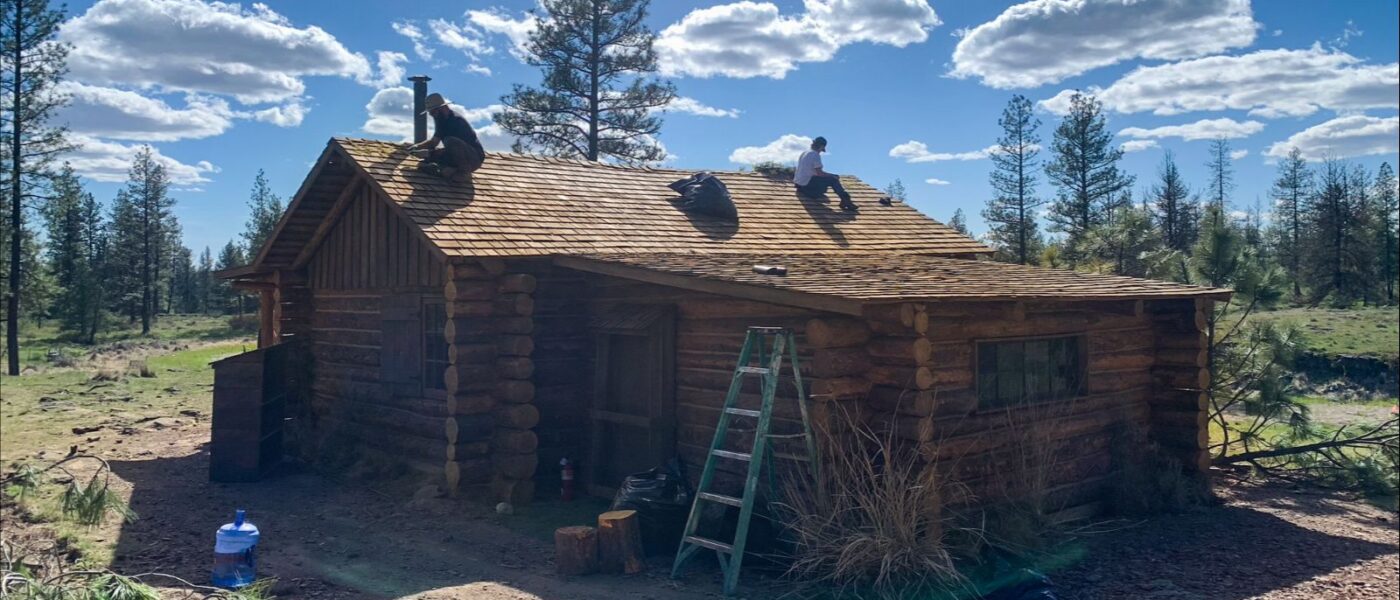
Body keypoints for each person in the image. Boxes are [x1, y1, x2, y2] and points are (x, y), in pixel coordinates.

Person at [408, 93, 486, 182]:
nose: (431, 115)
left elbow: (455, 148)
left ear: (442, 108)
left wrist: (429, 153)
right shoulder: (440, 120)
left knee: (450, 140)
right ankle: (448, 171)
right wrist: (416, 147)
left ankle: (463, 173)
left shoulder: (456, 121)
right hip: (454, 156)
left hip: (473, 158)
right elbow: (433, 142)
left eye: (433, 112)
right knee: (423, 164)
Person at [793, 136, 857, 212]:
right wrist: (833, 175)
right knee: (833, 180)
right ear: (821, 147)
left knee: (827, 184)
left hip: (799, 186)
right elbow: (820, 173)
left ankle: (845, 200)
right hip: (806, 187)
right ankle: (846, 200)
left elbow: (810, 172)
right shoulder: (815, 155)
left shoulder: (805, 153)